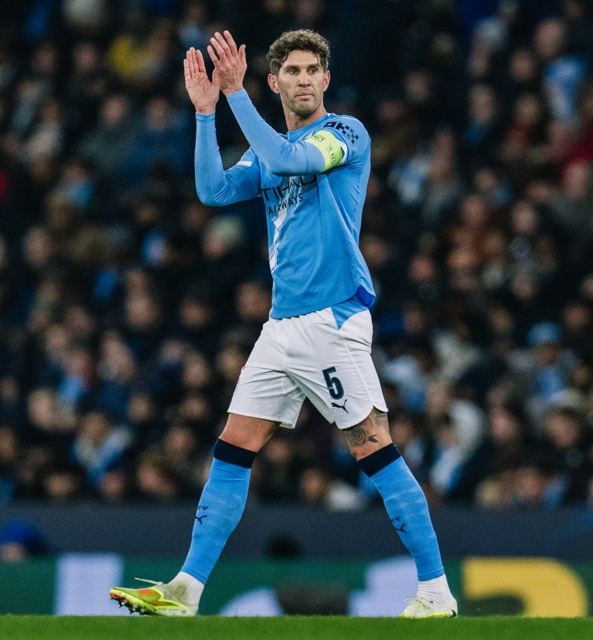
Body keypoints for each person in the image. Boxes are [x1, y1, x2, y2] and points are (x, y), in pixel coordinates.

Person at [109, 29, 458, 619]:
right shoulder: (265, 143)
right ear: (276, 82)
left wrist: (236, 96)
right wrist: (204, 113)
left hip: (331, 320)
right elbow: (213, 190)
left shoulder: (344, 133)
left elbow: (287, 158)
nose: (301, 79)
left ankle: (436, 591)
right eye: (290, 71)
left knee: (373, 447)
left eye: (310, 70)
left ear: (325, 80)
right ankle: (186, 590)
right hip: (281, 326)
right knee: (233, 447)